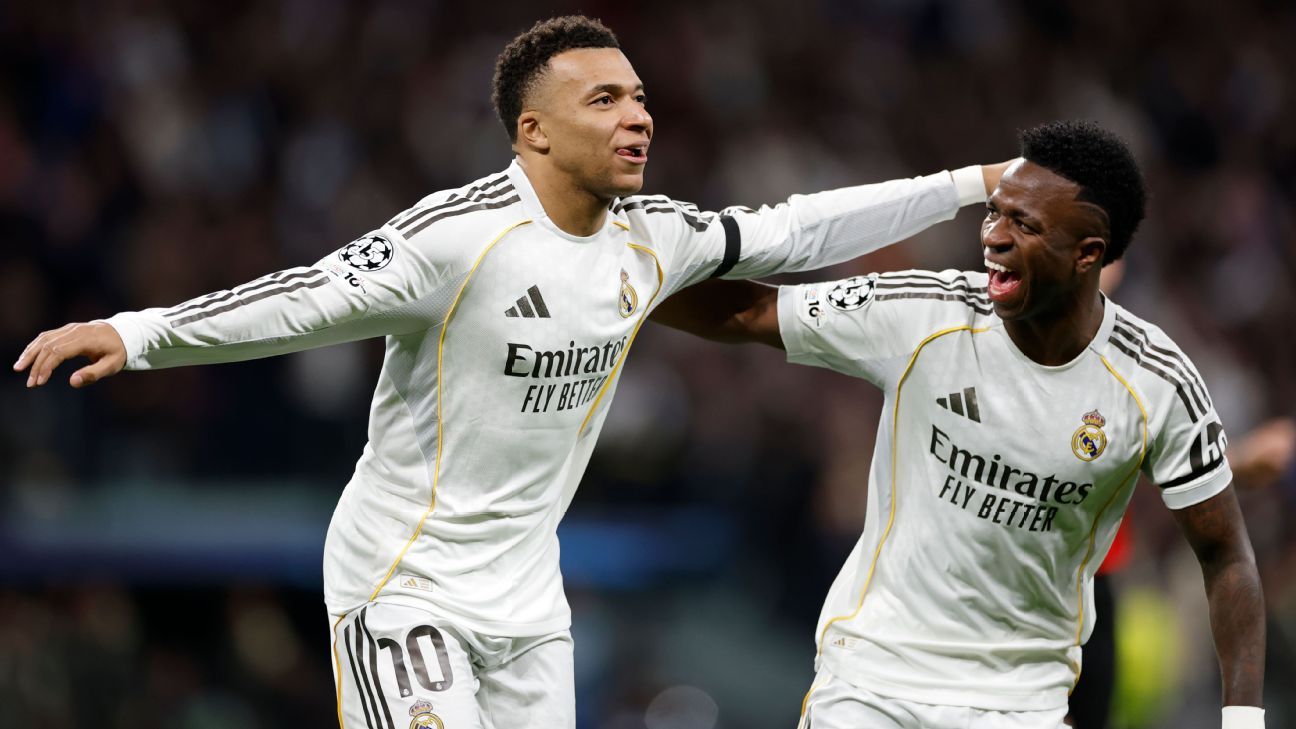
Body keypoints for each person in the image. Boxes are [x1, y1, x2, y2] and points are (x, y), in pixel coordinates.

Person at [12, 15, 1011, 729]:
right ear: (534, 130)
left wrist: (970, 184)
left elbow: (799, 227)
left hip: (531, 604)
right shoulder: (457, 239)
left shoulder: (653, 238)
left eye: (641, 97)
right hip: (406, 583)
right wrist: (139, 332)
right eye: (605, 99)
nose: (639, 117)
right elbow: (304, 297)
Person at [652, 120, 1266, 729]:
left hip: (1020, 705)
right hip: (871, 684)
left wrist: (1243, 719)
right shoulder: (926, 312)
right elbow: (752, 311)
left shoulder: (1157, 382)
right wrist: (629, 282)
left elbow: (1226, 555)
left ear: (1088, 254)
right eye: (994, 214)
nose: (994, 237)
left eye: (1025, 225)